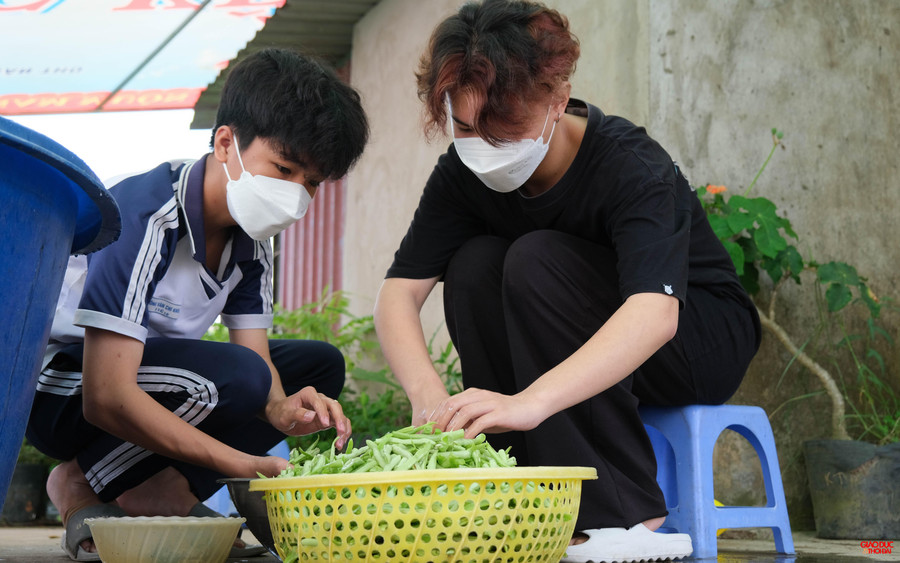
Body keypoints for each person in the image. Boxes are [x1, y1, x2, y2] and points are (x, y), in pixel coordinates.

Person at [372, 1, 761, 562]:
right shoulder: (462, 175)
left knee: (535, 259)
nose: (481, 145)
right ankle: (519, 494)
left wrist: (531, 402)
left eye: (504, 128)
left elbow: (655, 313)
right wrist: (428, 398)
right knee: (475, 264)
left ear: (557, 99)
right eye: (463, 125)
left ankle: (625, 517)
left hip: (694, 338)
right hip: (585, 337)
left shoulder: (630, 164)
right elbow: (398, 294)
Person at [26, 48, 369, 561]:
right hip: (64, 387)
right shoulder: (146, 216)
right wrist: (240, 462)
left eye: (312, 183)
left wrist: (281, 410)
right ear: (226, 143)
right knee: (239, 376)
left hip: (147, 372)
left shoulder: (251, 238)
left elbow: (258, 358)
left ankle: (162, 492)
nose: (296, 195)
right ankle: (78, 484)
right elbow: (105, 394)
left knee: (315, 368)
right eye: (284, 168)